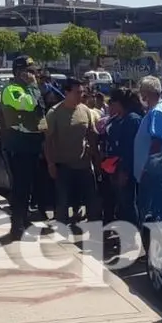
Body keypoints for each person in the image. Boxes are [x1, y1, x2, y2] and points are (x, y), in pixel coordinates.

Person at [0, 55, 47, 239]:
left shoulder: (29, 88)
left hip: (32, 143)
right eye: (29, 71)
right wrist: (34, 87)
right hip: (18, 144)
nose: (33, 74)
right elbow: (27, 104)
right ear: (19, 72)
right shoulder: (11, 89)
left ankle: (24, 218)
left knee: (28, 186)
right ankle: (16, 225)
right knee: (20, 186)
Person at [44, 77, 101, 224]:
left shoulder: (85, 110)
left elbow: (91, 134)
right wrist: (50, 164)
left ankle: (94, 226)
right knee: (62, 201)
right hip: (63, 166)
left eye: (82, 92)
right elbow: (48, 141)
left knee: (91, 198)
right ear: (66, 92)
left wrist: (96, 156)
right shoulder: (53, 113)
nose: (80, 96)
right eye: (77, 92)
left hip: (84, 164)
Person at [103, 88, 143, 224]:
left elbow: (129, 149)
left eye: (112, 103)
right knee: (120, 203)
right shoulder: (117, 119)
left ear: (119, 103)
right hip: (114, 167)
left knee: (128, 203)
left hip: (125, 170)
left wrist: (124, 172)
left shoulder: (132, 120)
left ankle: (133, 232)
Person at [133, 76, 162, 184]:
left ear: (148, 93)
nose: (142, 98)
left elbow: (156, 143)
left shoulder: (157, 112)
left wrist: (148, 169)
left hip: (155, 174)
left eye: (142, 93)